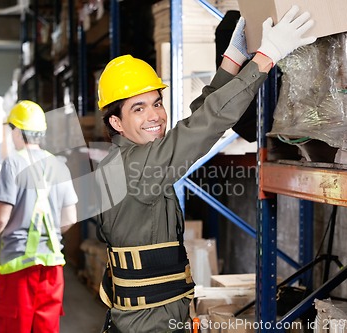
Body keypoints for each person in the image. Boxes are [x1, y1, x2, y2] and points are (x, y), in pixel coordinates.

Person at [95, 5, 316, 333]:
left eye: (157, 103)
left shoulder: (124, 160)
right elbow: (205, 125)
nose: (155, 115)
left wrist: (231, 60)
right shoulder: (136, 168)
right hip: (150, 325)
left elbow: (197, 120)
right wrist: (265, 58)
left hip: (152, 317)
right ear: (116, 122)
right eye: (138, 109)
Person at [0, 100, 78, 333]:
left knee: (15, 327)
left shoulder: (14, 163)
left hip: (18, 268)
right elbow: (69, 219)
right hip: (52, 268)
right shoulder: (60, 165)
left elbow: (0, 218)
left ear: (17, 131)